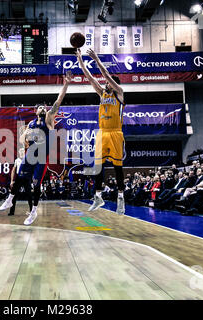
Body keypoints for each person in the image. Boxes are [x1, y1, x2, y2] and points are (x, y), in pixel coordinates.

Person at [0, 71, 72, 225]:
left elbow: (58, 101)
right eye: (39, 107)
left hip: (41, 158)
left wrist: (66, 84)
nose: (42, 108)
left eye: (43, 107)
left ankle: (33, 212)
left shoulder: (49, 119)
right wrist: (26, 134)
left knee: (36, 185)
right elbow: (20, 140)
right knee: (19, 177)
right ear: (35, 111)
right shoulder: (30, 124)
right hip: (29, 155)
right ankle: (10, 199)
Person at [76, 48, 126, 215]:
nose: (105, 84)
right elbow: (89, 77)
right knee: (98, 165)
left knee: (118, 167)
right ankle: (98, 196)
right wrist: (80, 61)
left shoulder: (119, 93)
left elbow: (105, 74)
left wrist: (96, 59)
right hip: (102, 133)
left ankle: (120, 197)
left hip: (115, 132)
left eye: (108, 83)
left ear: (113, 83)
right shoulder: (102, 94)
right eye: (105, 84)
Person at [8, 148, 33, 217]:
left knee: (29, 195)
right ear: (19, 153)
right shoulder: (17, 160)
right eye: (20, 151)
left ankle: (32, 211)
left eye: (23, 151)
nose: (22, 152)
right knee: (13, 195)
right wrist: (12, 181)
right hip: (19, 178)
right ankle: (11, 211)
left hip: (26, 178)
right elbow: (13, 171)